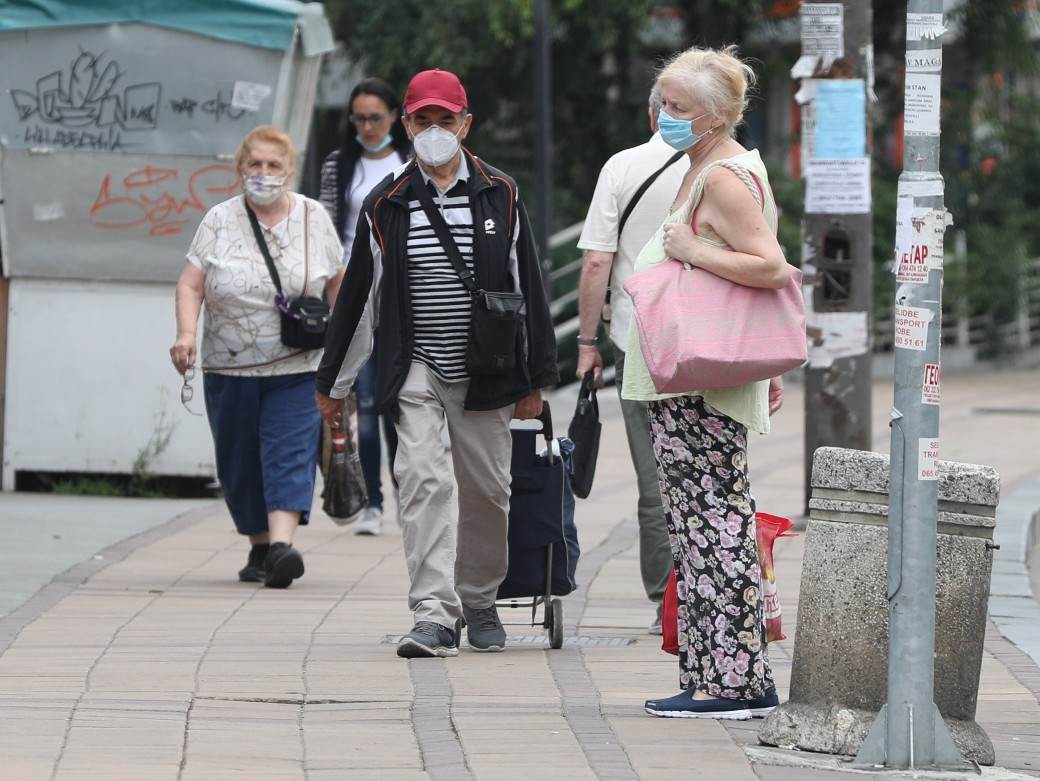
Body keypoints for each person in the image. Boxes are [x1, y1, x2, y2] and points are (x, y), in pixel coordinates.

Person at [315, 69, 558, 658]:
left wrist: (535, 381)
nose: (434, 130)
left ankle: (477, 598)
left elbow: (529, 286)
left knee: (487, 491)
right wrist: (335, 383)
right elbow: (360, 298)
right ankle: (433, 613)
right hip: (416, 365)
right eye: (422, 120)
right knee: (421, 482)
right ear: (407, 124)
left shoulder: (501, 192)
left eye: (445, 120)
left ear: (465, 124)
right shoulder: (387, 203)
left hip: (489, 372)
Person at [620, 46, 788, 719]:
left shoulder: (723, 176)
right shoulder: (708, 167)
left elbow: (769, 266)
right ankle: (714, 673)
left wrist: (692, 251)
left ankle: (734, 681)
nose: (664, 116)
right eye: (662, 103)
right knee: (698, 524)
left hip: (702, 386)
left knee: (714, 523)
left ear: (715, 116)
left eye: (679, 108)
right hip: (690, 383)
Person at [171, 125, 345, 589]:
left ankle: (283, 547)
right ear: (240, 169)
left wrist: (345, 345)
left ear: (289, 170)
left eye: (273, 166)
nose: (263, 174)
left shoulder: (313, 218)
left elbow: (338, 284)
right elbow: (191, 284)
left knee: (290, 451)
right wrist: (186, 335)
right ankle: (260, 545)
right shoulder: (218, 220)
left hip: (298, 364)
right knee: (240, 460)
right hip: (229, 364)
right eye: (255, 165)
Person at [575, 83, 688, 636]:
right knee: (710, 470)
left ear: (650, 115)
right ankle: (710, 589)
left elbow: (598, 262)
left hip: (637, 341)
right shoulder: (727, 167)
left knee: (654, 475)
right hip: (709, 345)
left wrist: (587, 342)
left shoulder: (622, 167)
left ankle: (665, 599)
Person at [319, 77, 410, 536]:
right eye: (360, 118)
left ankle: (404, 495)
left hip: (407, 297)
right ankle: (371, 501)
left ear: (394, 116)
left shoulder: (411, 162)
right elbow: (326, 228)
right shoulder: (340, 165)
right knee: (368, 404)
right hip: (356, 296)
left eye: (376, 117)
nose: (369, 126)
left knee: (403, 404)